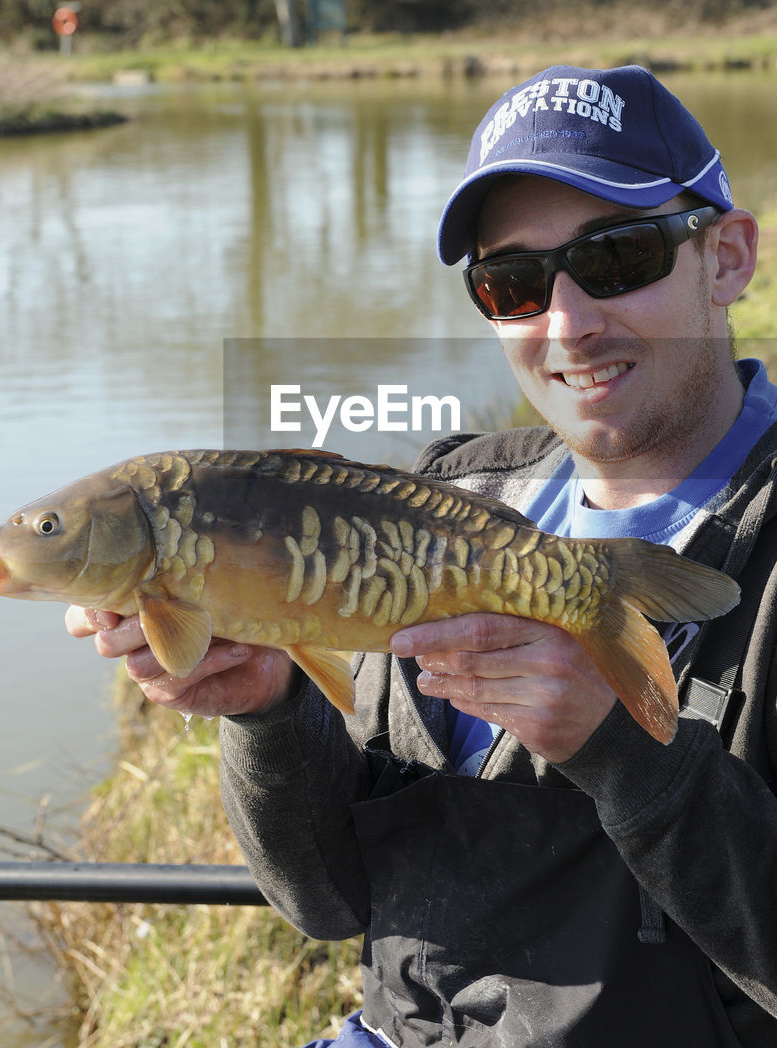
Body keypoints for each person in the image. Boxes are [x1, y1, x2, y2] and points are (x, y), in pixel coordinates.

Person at [67, 64, 777, 1047]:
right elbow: (329, 898)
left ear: (730, 258)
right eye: (515, 282)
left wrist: (622, 749)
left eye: (617, 257)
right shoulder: (446, 504)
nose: (566, 322)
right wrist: (270, 707)